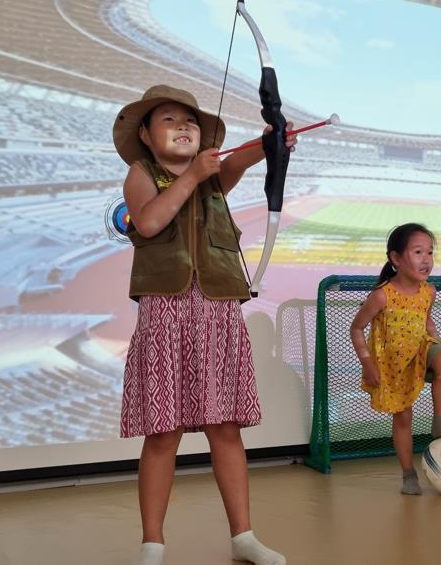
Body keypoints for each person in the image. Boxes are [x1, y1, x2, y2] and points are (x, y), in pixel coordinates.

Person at [115, 85, 296, 565]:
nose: (183, 127)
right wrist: (191, 176)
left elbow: (250, 155)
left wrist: (275, 140)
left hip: (217, 312)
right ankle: (152, 543)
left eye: (190, 121)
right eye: (169, 120)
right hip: (166, 313)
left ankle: (243, 537)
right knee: (163, 433)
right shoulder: (140, 173)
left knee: (225, 427)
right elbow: (149, 222)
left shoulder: (217, 174)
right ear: (146, 136)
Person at [350, 223, 441, 495]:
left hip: (420, 351)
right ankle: (408, 474)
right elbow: (356, 328)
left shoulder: (429, 291)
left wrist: (436, 342)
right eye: (418, 252)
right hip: (393, 365)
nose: (426, 259)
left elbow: (427, 321)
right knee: (403, 418)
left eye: (430, 252)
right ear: (395, 259)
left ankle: (440, 421)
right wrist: (367, 363)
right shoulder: (381, 295)